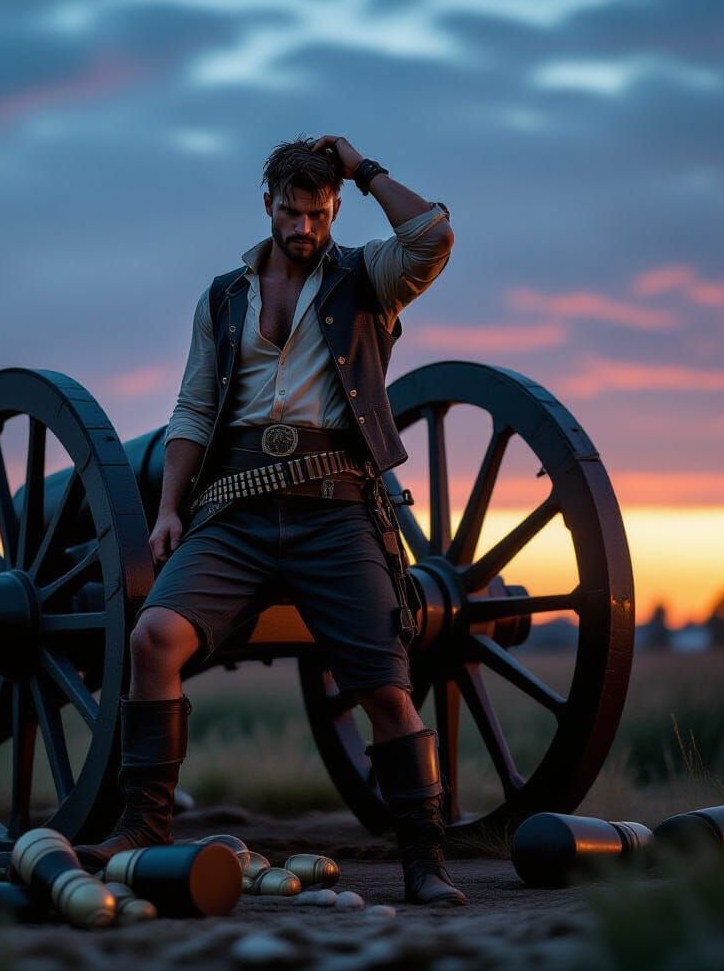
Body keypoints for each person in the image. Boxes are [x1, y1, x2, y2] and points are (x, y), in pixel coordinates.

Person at [96, 135, 464, 905]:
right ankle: (144, 830)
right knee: (153, 638)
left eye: (319, 214)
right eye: (293, 213)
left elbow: (431, 233)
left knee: (386, 693)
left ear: (333, 209)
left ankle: (423, 862)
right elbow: (194, 407)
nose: (305, 228)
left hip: (336, 510)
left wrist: (362, 170)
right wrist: (168, 510)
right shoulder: (223, 297)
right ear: (268, 205)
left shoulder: (368, 277)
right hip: (233, 509)